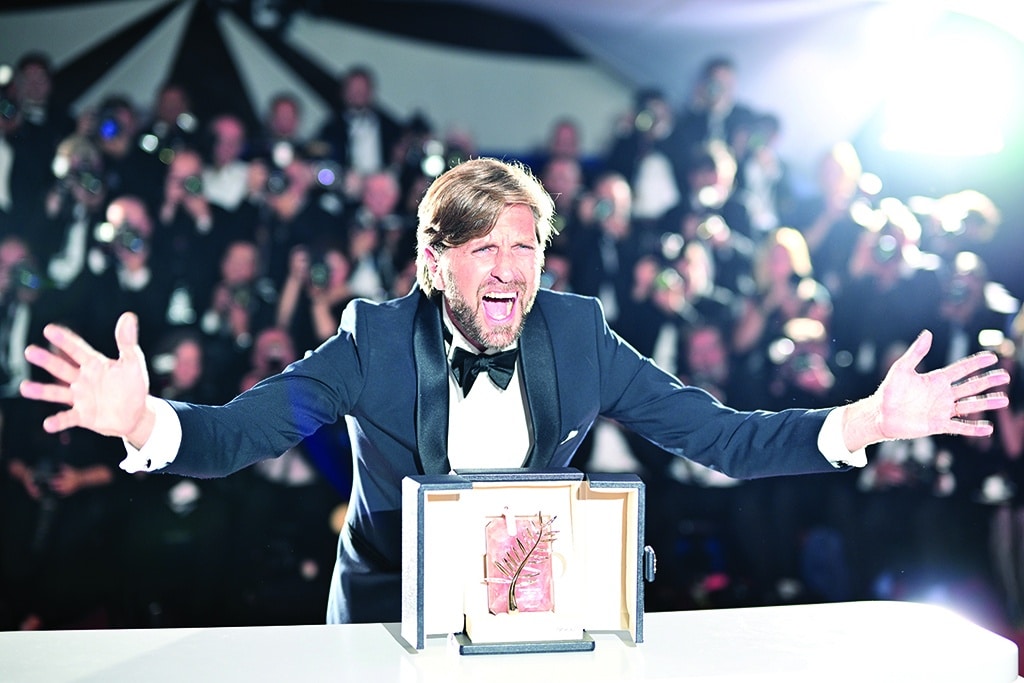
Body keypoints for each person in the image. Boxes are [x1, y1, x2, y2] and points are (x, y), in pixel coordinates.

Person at [18, 157, 1010, 626]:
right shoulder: (370, 338)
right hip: (383, 605)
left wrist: (867, 421)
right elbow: (240, 433)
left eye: (525, 246)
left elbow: (720, 437)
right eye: (483, 246)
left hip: (527, 603)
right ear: (435, 259)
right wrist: (143, 420)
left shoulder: (578, 332)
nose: (508, 268)